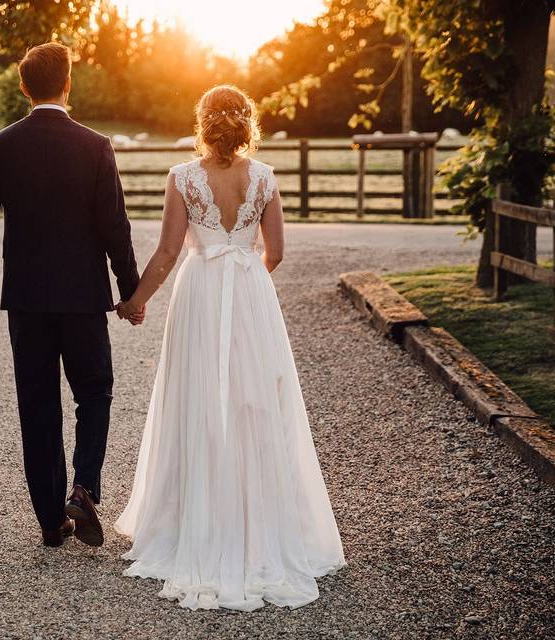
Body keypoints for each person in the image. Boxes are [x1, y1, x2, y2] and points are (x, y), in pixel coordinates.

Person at [114, 84, 346, 611]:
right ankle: (260, 525)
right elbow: (277, 252)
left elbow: (170, 251)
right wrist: (244, 286)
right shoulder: (263, 177)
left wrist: (135, 300)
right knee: (256, 402)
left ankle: (196, 523)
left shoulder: (183, 177)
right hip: (250, 294)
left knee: (197, 399)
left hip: (199, 292)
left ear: (202, 122)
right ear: (247, 122)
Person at [0, 42, 144, 549]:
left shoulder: (0, 145)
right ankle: (83, 488)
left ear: (24, 87)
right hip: (84, 297)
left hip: (27, 300)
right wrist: (130, 292)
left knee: (37, 404)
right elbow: (115, 228)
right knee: (95, 392)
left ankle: (50, 519)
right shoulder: (95, 145)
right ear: (68, 83)